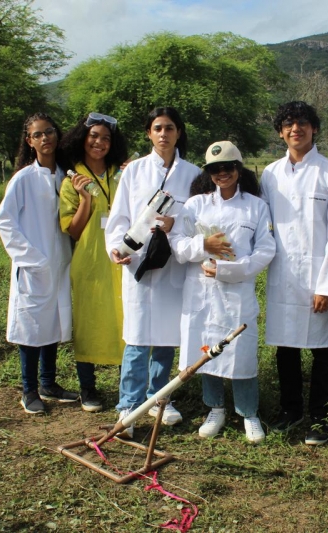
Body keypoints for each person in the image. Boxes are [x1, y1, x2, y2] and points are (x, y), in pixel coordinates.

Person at [105, 107, 201, 437]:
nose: (163, 134)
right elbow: (119, 216)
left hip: (172, 264)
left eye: (170, 128)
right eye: (157, 128)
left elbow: (199, 216)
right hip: (138, 263)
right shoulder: (134, 172)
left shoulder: (192, 173)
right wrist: (117, 248)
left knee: (166, 337)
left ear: (178, 133)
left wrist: (178, 220)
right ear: (149, 133)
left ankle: (160, 398)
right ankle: (129, 406)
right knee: (137, 336)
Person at [171, 141, 275, 444]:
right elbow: (178, 244)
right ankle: (214, 408)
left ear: (238, 168)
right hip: (202, 292)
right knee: (206, 350)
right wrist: (203, 246)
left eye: (228, 167)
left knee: (241, 354)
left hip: (237, 293)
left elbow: (265, 250)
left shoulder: (256, 206)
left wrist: (229, 270)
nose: (222, 173)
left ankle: (248, 412)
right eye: (215, 169)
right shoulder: (196, 205)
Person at [260, 101, 328, 446]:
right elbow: (262, 224)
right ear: (281, 133)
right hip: (283, 275)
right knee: (286, 348)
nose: (295, 129)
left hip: (318, 276)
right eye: (288, 124)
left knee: (323, 349)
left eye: (302, 123)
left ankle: (320, 418)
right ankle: (291, 410)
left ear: (314, 129)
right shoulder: (271, 174)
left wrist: (327, 285)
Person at [0, 112, 79, 414]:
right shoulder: (24, 179)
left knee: (52, 322)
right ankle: (29, 389)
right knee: (32, 328)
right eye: (38, 134)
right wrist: (31, 258)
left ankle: (48, 383)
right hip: (34, 265)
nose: (45, 138)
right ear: (29, 141)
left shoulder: (66, 177)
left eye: (50, 131)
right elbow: (5, 221)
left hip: (60, 263)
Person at [59, 113, 130, 412]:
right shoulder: (72, 179)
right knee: (88, 323)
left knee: (126, 320)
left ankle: (128, 387)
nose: (99, 142)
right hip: (90, 261)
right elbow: (73, 230)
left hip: (122, 257)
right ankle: (88, 388)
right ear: (82, 139)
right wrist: (85, 199)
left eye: (106, 138)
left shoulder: (122, 173)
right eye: (94, 136)